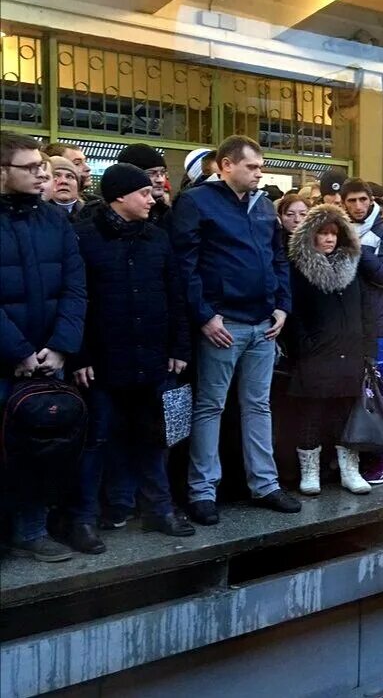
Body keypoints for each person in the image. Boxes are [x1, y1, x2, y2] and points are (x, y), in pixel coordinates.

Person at [172, 134, 300, 524]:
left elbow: (278, 258)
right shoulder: (196, 202)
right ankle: (201, 491)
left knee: (258, 406)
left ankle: (265, 485)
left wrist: (282, 306)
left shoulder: (263, 206)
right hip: (222, 322)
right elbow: (185, 266)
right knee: (211, 406)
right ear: (226, 165)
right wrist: (205, 316)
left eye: (260, 167)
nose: (260, 173)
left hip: (264, 323)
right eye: (252, 167)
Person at [68, 164, 194, 553]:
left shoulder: (157, 238)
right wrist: (81, 354)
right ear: (119, 196)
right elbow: (79, 298)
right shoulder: (85, 238)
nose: (152, 197)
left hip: (154, 357)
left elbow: (175, 296)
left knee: (156, 438)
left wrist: (179, 347)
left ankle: (159, 509)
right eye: (143, 193)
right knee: (97, 441)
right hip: (103, 361)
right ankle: (84, 519)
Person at [0, 132, 87, 562]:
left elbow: (75, 285)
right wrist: (16, 350)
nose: (42, 175)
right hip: (7, 357)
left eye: (42, 167)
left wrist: (60, 346)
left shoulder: (54, 220)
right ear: (2, 172)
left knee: (39, 448)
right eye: (30, 168)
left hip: (47, 358)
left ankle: (32, 531)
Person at [284, 204, 374, 496]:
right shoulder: (299, 268)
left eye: (334, 233)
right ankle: (310, 472)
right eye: (322, 233)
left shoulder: (351, 264)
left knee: (345, 414)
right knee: (311, 413)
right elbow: (294, 313)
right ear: (310, 236)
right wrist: (306, 347)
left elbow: (362, 309)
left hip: (349, 352)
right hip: (315, 355)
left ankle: (349, 469)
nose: (329, 239)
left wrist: (363, 346)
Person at [340, 178, 383, 484]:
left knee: (382, 393)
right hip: (350, 325)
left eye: (363, 199)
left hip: (378, 324)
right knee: (359, 396)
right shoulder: (339, 230)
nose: (358, 206)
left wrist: (359, 249)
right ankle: (366, 459)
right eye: (351, 201)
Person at [116, 143, 172, 227]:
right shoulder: (104, 215)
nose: (160, 180)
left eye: (163, 172)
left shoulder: (167, 214)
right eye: (151, 173)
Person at [44, 156, 85, 221]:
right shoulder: (35, 216)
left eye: (70, 176)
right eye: (56, 175)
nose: (64, 181)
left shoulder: (92, 214)